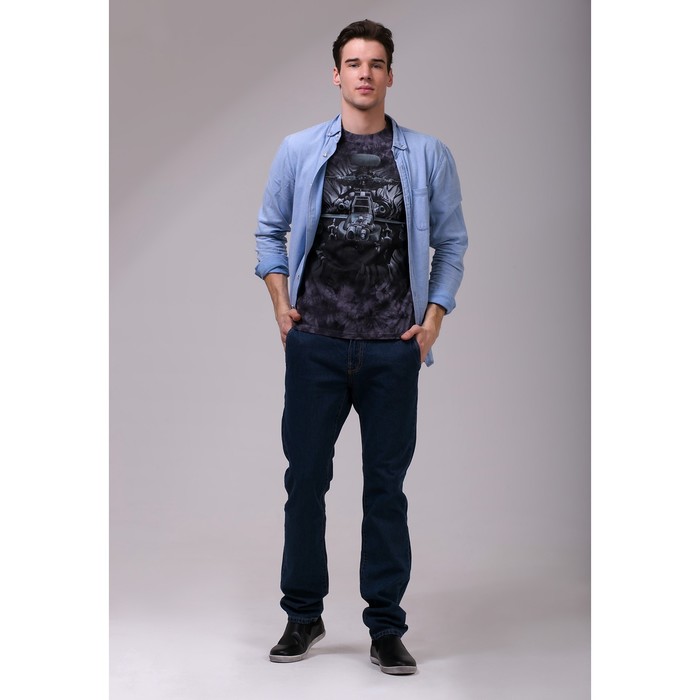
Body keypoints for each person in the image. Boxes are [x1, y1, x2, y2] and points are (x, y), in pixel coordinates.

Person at [254, 19, 468, 675]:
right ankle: (303, 615)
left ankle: (385, 627)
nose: (365, 73)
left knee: (386, 489)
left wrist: (433, 319)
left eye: (376, 63)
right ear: (337, 74)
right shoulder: (299, 150)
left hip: (391, 350)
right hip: (316, 344)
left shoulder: (427, 155)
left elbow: (452, 242)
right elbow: (268, 232)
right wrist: (282, 306)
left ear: (390, 75)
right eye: (354, 63)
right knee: (305, 483)